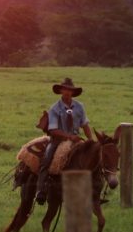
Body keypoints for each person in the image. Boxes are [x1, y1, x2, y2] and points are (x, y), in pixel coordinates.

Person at [35, 77, 95, 205]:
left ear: (73, 92)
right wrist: (69, 137)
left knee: (93, 158)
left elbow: (85, 125)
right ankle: (40, 190)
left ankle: (94, 191)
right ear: (61, 91)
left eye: (70, 90)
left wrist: (91, 141)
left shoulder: (79, 107)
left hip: (76, 139)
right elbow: (53, 130)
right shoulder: (55, 108)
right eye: (65, 89)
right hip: (57, 140)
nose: (67, 92)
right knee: (46, 159)